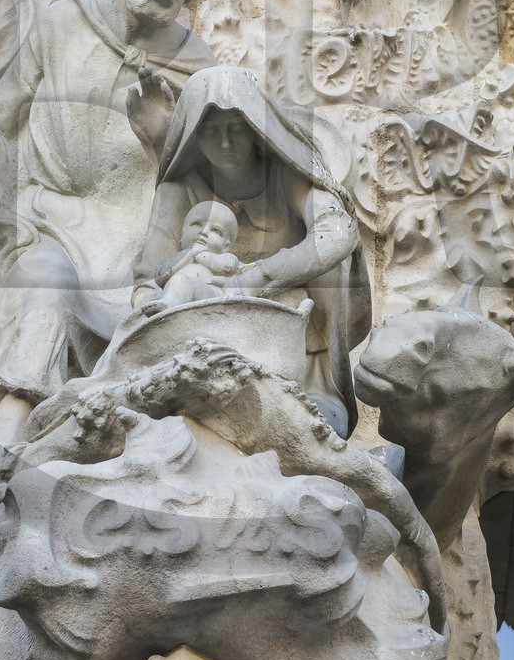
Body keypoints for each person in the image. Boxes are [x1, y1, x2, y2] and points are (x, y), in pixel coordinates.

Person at [0, 0, 218, 446]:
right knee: (47, 284)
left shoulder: (196, 69)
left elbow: (209, 190)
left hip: (137, 250)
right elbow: (3, 127)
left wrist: (163, 138)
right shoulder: (65, 23)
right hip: (50, 222)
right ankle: (8, 443)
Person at [134, 65, 370, 420]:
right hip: (200, 325)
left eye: (236, 129)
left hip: (287, 326)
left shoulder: (288, 175)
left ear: (257, 129)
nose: (225, 143)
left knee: (333, 263)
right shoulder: (179, 191)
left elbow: (338, 233)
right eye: (211, 131)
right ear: (194, 136)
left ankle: (320, 389)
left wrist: (251, 280)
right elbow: (149, 280)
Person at [151, 198, 244, 306]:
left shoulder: (227, 257)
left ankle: (167, 305)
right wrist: (189, 254)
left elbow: (227, 266)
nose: (203, 232)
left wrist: (201, 255)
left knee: (181, 281)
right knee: (175, 283)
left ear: (226, 246)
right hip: (177, 288)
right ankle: (167, 305)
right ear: (183, 233)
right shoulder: (179, 257)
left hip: (210, 294)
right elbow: (160, 275)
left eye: (215, 230)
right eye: (197, 224)